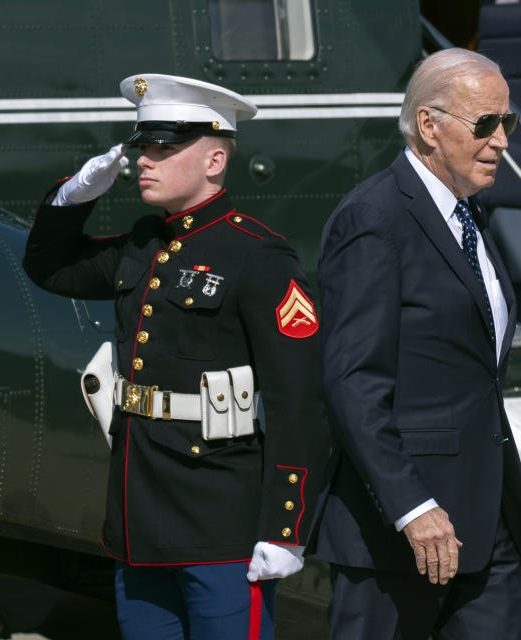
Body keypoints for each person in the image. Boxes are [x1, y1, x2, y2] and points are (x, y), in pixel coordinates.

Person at [22, 74, 329, 640]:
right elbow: (49, 267)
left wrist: (285, 529)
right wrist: (72, 197)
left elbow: (298, 402)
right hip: (138, 525)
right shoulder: (144, 243)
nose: (145, 160)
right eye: (143, 146)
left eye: (164, 147)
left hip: (224, 527)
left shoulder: (258, 256)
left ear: (215, 159)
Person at [313, 48, 521, 639]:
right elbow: (351, 381)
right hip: (399, 533)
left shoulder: (467, 217)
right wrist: (412, 507)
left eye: (506, 123)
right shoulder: (374, 218)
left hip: (486, 521)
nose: (501, 142)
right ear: (429, 126)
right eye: (484, 124)